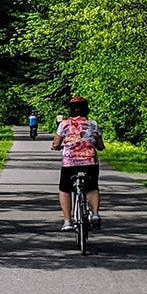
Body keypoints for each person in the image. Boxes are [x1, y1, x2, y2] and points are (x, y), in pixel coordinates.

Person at [52, 96, 104, 231]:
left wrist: (56, 147)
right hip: (89, 162)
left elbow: (56, 144)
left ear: (70, 110)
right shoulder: (93, 124)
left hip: (70, 163)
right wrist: (98, 145)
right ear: (86, 110)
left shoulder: (64, 124)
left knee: (64, 189)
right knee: (92, 187)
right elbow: (100, 145)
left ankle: (68, 221)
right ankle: (95, 214)